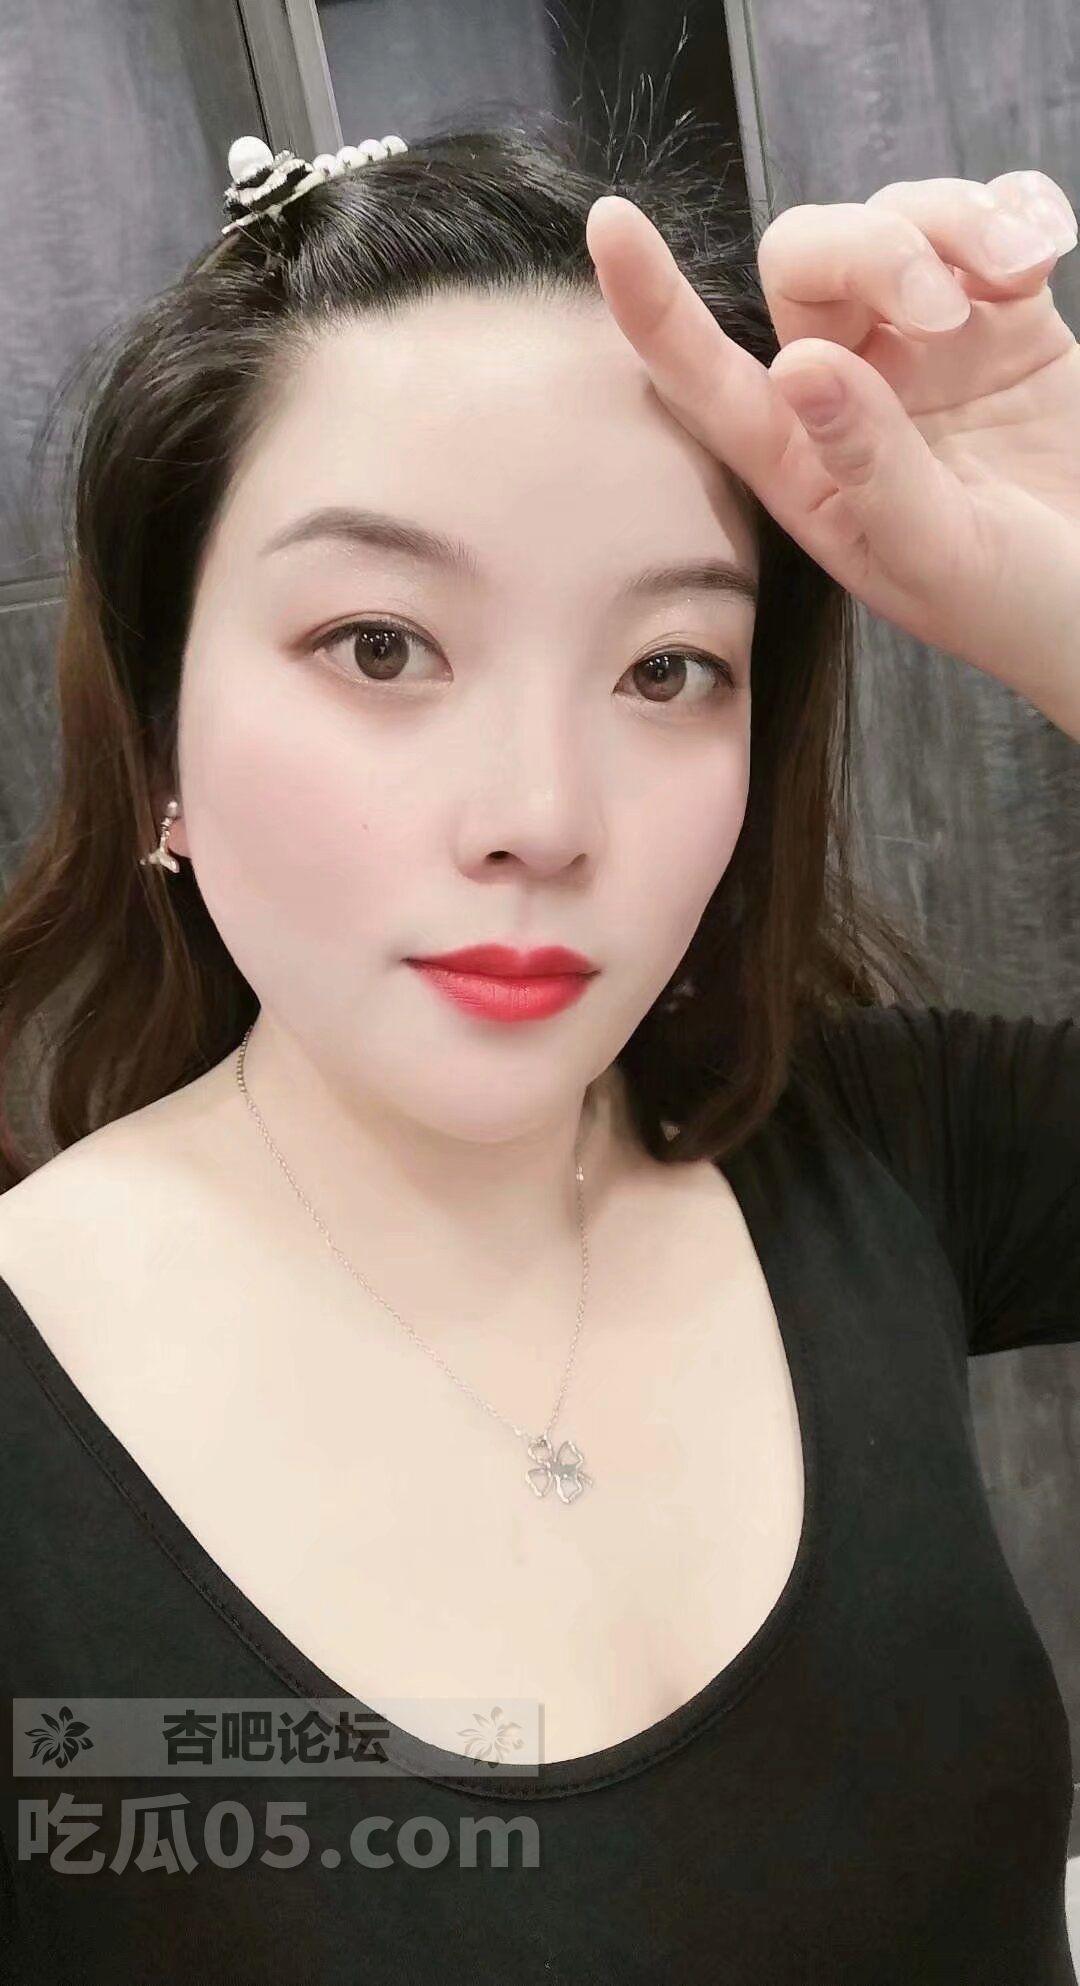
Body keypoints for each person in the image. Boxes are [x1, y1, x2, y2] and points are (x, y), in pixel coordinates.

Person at [0, 112, 1077, 1986]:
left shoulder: (874, 1143)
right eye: (381, 645)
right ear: (158, 726)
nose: (540, 817)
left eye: (668, 667)